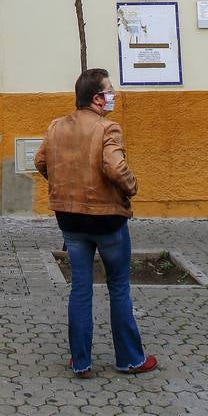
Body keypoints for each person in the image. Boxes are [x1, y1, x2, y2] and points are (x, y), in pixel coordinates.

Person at [34, 68, 157, 378]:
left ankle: (81, 361)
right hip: (107, 221)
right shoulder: (108, 129)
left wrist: (63, 184)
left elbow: (40, 162)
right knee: (118, 287)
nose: (113, 95)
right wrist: (132, 186)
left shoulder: (56, 127)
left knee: (80, 289)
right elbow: (115, 168)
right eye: (109, 91)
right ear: (98, 98)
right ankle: (130, 359)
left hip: (70, 220)